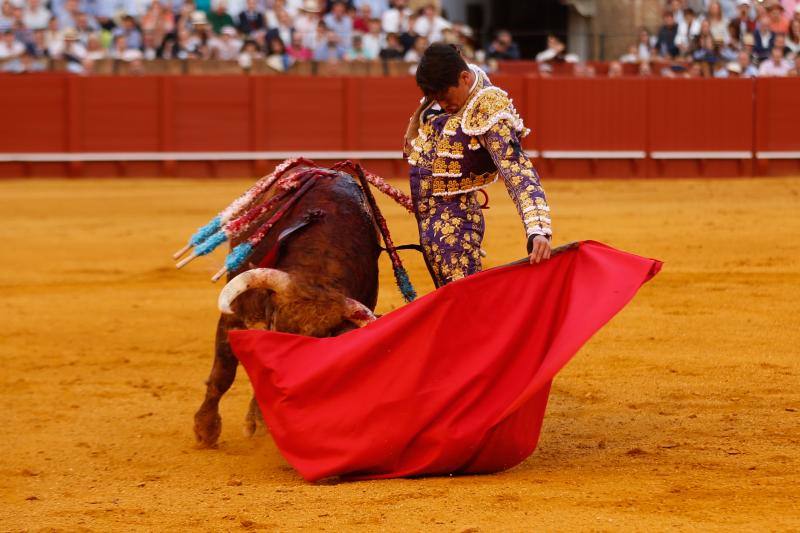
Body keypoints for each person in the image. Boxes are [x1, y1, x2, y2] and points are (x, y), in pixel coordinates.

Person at [403, 43, 552, 286]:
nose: (442, 104)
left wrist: (538, 229)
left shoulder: (488, 108)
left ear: (464, 78)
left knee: (462, 305)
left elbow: (519, 172)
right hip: (429, 223)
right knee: (452, 302)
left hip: (456, 226)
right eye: (436, 99)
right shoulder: (440, 96)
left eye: (446, 97)